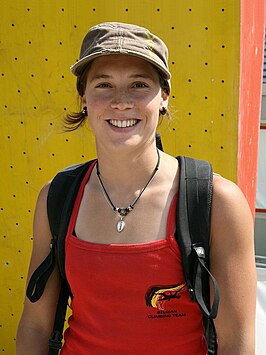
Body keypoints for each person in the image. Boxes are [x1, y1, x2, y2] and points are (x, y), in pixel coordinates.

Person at [16, 22, 256, 354]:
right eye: (103, 85)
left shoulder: (216, 202)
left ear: (164, 98)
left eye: (139, 84)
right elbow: (36, 325)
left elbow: (236, 343)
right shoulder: (56, 198)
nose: (120, 102)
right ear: (84, 98)